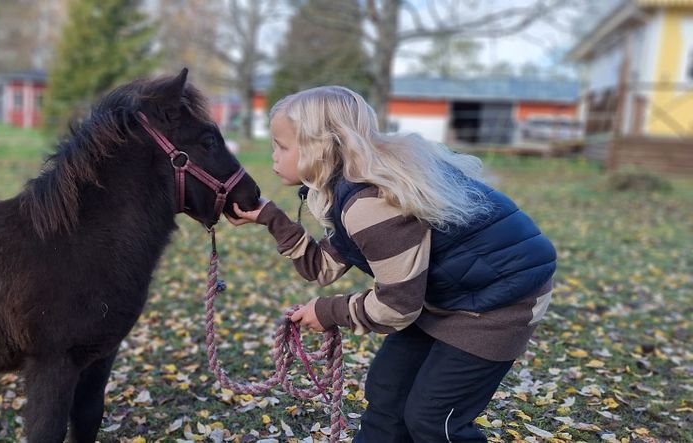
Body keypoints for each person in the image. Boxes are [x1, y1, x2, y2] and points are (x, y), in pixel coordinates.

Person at [227, 86, 556, 442]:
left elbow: (397, 306)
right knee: (387, 395)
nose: (273, 155)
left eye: (282, 146)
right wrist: (272, 218)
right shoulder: (347, 186)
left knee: (433, 420)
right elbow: (320, 267)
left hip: (498, 303)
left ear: (319, 146)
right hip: (443, 296)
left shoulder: (371, 203)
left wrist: (328, 311)